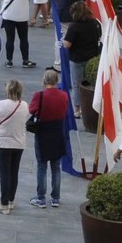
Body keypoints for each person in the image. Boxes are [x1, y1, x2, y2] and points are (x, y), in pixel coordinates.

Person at [28, 69, 69, 208]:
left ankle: (41, 198)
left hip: (43, 134)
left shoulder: (39, 96)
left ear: (45, 81)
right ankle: (55, 198)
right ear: (57, 80)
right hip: (58, 134)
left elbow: (32, 110)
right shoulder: (64, 96)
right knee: (56, 167)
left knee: (42, 166)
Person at [0, 79, 27, 214]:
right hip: (19, 142)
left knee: (4, 174)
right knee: (14, 172)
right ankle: (11, 200)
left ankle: (4, 204)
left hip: (4, 143)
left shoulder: (1, 104)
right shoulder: (24, 105)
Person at [0, 0, 34, 69]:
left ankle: (9, 60)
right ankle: (25, 60)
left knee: (10, 39)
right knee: (24, 39)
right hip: (22, 17)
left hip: (8, 16)